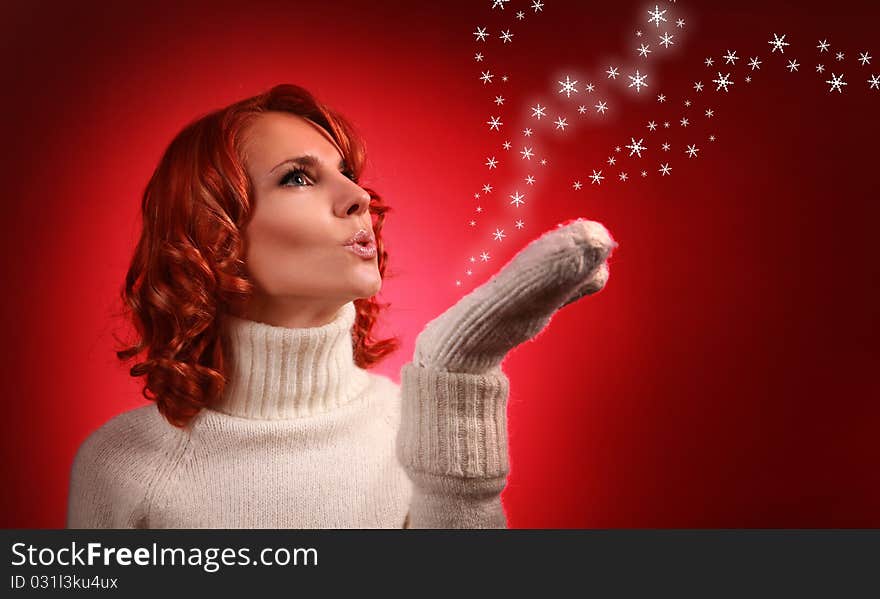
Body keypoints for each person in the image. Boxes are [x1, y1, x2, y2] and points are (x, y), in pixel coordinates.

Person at [66, 83, 617, 529]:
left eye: (347, 173)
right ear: (213, 236)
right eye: (298, 177)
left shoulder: (412, 427)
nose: (359, 198)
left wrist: (458, 386)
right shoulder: (121, 466)